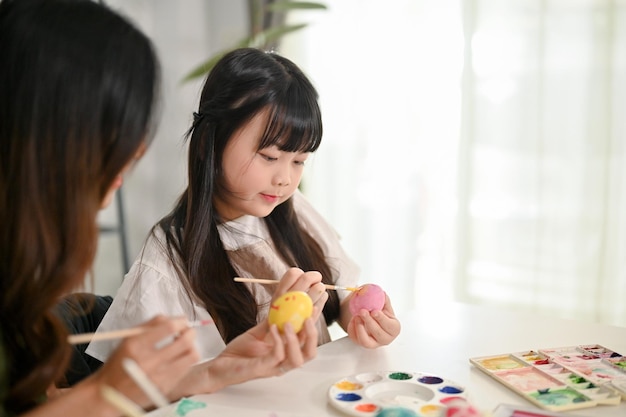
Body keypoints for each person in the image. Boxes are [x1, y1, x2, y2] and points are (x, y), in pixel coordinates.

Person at [0, 1, 318, 416]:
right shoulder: (163, 264)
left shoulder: (20, 293)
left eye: (299, 161)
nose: (132, 157)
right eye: (110, 142)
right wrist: (106, 392)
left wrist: (214, 371)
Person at [87, 47, 401, 365]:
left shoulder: (292, 210)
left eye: (299, 161)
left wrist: (363, 322)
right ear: (211, 140)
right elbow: (142, 388)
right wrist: (269, 335)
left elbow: (340, 296)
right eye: (269, 157)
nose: (285, 179)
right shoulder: (167, 264)